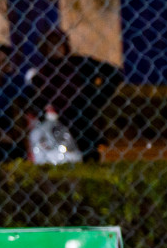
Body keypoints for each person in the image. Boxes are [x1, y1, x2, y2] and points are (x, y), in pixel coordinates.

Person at [29, 28, 122, 163]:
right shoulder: (43, 72)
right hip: (57, 121)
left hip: (81, 116)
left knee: (86, 151)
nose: (54, 48)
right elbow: (38, 100)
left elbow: (113, 74)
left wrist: (95, 98)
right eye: (50, 45)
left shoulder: (79, 63)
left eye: (58, 43)